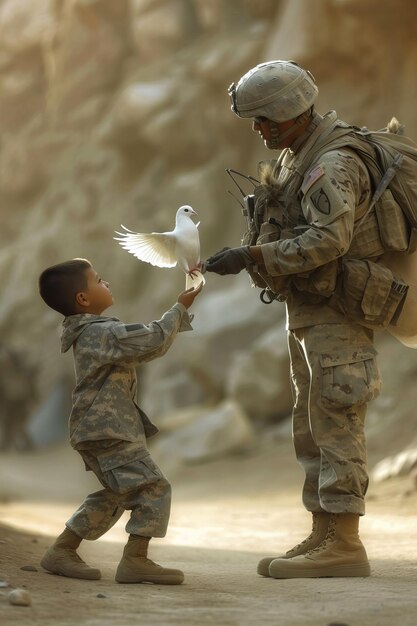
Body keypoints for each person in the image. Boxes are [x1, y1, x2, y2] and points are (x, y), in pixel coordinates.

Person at [204, 60, 387, 579]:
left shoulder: (328, 163)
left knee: (337, 418)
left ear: (289, 113)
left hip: (338, 312)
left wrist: (254, 258)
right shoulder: (296, 156)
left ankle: (346, 544)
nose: (258, 130)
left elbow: (331, 240)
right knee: (312, 424)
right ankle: (324, 531)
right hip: (311, 310)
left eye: (264, 120)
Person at [38, 258, 202, 585]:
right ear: (83, 299)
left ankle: (63, 549)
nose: (107, 283)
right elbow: (152, 340)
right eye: (99, 279)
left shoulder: (90, 333)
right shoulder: (99, 333)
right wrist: (181, 306)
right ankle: (135, 560)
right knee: (153, 488)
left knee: (116, 493)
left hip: (97, 430)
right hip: (108, 430)